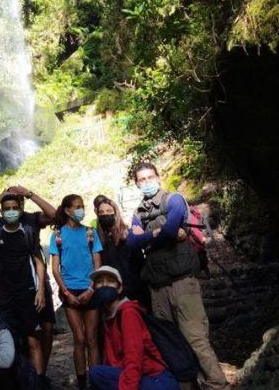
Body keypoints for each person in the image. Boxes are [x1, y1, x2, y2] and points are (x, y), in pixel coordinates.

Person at [127, 162, 229, 390]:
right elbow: (132, 243)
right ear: (136, 184)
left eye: (150, 177)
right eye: (141, 180)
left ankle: (217, 384)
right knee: (170, 342)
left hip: (182, 281)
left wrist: (146, 235)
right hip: (157, 285)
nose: (147, 183)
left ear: (158, 177)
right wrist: (155, 233)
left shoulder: (173, 199)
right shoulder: (138, 212)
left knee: (195, 338)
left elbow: (171, 229)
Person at [0, 185, 58, 379]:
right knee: (10, 335)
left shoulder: (30, 220)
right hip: (6, 289)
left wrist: (29, 193)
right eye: (7, 208)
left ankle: (40, 378)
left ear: (20, 206)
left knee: (43, 330)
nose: (11, 211)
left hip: (32, 285)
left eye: (15, 207)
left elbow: (54, 216)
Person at [87, 266, 178, 390]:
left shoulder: (128, 313)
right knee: (97, 374)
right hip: (139, 377)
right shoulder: (108, 317)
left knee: (97, 374)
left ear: (119, 288)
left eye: (110, 281)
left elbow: (134, 358)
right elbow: (111, 360)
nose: (104, 285)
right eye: (100, 282)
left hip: (155, 379)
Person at [50, 194, 103, 389]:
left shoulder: (90, 232)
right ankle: (82, 382)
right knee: (79, 338)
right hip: (70, 289)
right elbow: (55, 268)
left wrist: (91, 288)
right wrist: (66, 293)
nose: (81, 210)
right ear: (67, 210)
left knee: (92, 338)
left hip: (90, 288)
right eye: (77, 207)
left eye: (82, 206)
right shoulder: (58, 235)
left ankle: (97, 380)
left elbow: (98, 264)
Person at [93, 196, 146, 306]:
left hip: (134, 291)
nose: (105, 214)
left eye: (108, 211)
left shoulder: (128, 235)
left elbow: (139, 264)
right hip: (112, 293)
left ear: (115, 212)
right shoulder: (98, 239)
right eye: (101, 212)